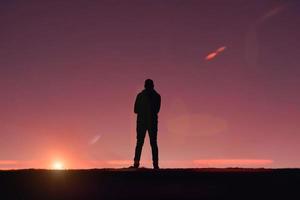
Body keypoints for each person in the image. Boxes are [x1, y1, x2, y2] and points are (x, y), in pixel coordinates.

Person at [131, 79, 161, 169]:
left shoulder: (143, 96)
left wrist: (144, 111)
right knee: (146, 143)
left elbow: (136, 110)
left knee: (146, 143)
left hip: (147, 123)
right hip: (145, 123)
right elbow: (135, 110)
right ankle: (151, 164)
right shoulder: (144, 96)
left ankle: (153, 164)